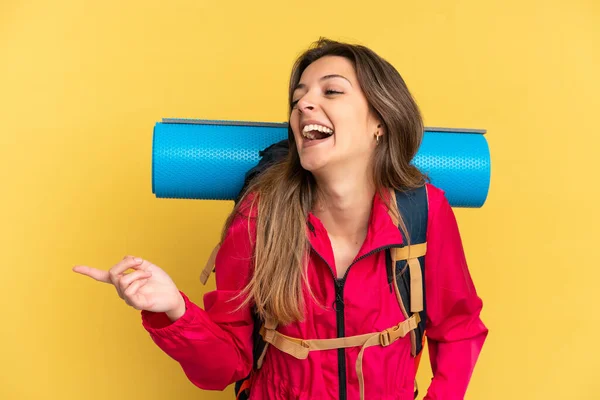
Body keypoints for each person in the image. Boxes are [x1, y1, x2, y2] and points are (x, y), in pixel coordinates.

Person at [73, 38, 488, 400]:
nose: (305, 104)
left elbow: (460, 328)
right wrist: (175, 311)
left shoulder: (425, 211)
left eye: (332, 91)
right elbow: (225, 367)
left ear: (380, 120)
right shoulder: (257, 218)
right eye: (298, 98)